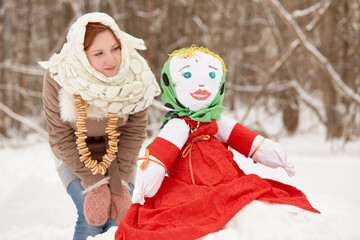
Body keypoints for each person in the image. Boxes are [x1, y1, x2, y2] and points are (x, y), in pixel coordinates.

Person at [115, 46, 340, 240]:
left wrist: (275, 156)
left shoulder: (217, 121)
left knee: (254, 200)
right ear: (171, 84)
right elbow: (160, 153)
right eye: (187, 77)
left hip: (229, 182)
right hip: (192, 188)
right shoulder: (178, 126)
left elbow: (246, 139)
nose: (202, 86)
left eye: (212, 77)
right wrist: (145, 185)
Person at [39, 12, 160, 240]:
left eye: (115, 48)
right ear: (82, 55)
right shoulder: (59, 77)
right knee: (91, 216)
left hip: (119, 152)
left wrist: (121, 182)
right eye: (99, 53)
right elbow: (60, 138)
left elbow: (134, 132)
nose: (111, 60)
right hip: (72, 152)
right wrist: (94, 184)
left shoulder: (136, 77)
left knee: (118, 217)